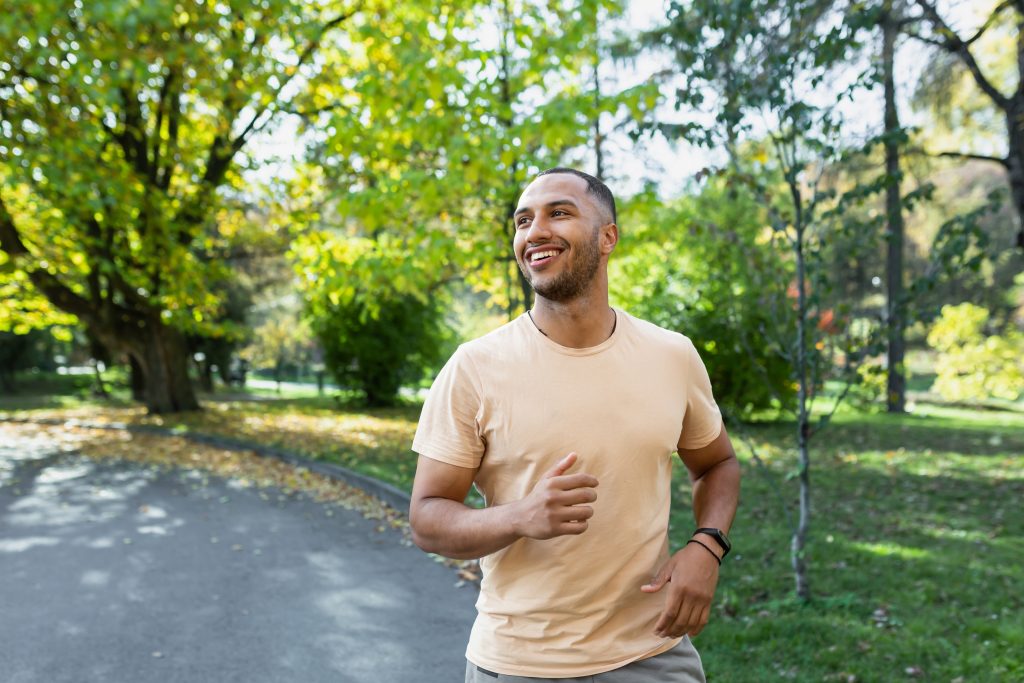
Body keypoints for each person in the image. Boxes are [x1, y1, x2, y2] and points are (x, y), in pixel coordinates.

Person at [409, 168, 740, 682]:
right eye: (522, 221)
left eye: (558, 213)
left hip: (652, 656)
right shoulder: (474, 367)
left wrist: (707, 546)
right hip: (519, 663)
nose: (534, 231)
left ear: (608, 237)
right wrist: (518, 516)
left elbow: (716, 462)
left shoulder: (671, 355)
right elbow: (427, 518)